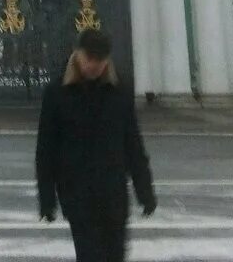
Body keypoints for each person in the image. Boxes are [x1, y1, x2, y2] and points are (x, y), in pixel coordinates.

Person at [36, 29, 156, 262]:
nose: (94, 65)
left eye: (100, 60)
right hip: (78, 196)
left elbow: (133, 145)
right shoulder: (57, 93)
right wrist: (47, 199)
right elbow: (46, 150)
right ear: (77, 54)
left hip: (113, 195)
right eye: (89, 58)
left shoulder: (119, 91)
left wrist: (145, 191)